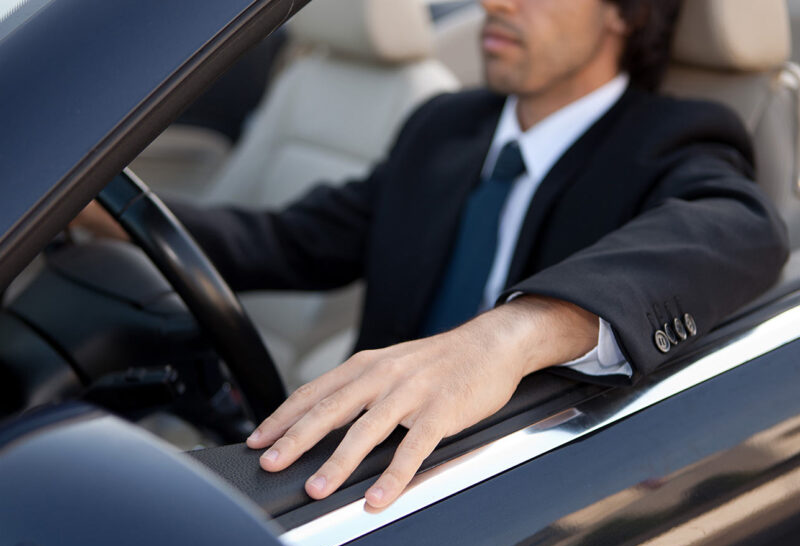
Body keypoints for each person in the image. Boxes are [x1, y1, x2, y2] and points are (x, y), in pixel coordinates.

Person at [76, 0, 789, 509]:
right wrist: (90, 205)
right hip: (361, 463)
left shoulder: (672, 135)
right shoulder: (443, 126)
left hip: (511, 492)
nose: (494, 4)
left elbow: (738, 227)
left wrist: (507, 337)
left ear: (624, 14)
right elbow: (287, 241)